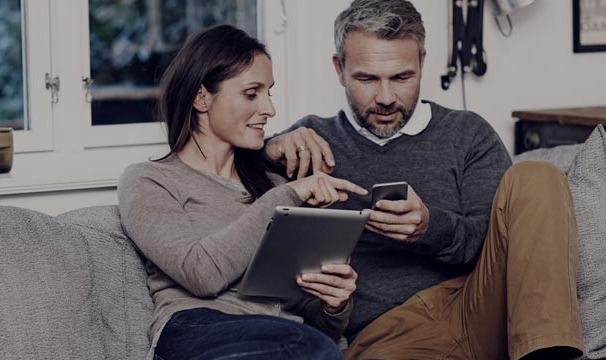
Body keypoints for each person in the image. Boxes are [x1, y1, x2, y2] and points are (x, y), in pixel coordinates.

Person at [263, 1, 583, 359]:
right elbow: (216, 177)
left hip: (475, 306)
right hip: (388, 334)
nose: (385, 98)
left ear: (422, 64)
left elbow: (493, 241)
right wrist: (266, 148)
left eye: (402, 77)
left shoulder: (468, 134)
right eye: (367, 78)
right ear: (339, 69)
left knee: (537, 175)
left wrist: (430, 227)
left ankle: (548, 354)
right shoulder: (307, 143)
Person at [118, 25, 369, 360]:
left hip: (281, 339)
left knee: (309, 346)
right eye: (252, 93)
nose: (269, 110)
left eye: (269, 93)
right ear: (201, 97)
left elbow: (306, 323)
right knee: (303, 347)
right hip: (196, 329)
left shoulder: (272, 186)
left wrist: (334, 304)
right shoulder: (150, 181)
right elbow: (201, 273)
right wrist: (288, 197)